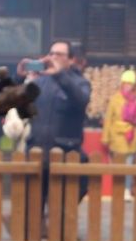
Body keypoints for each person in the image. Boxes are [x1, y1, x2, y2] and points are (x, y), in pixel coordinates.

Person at [25, 39, 91, 215]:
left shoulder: (80, 82)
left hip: (64, 155)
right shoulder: (40, 82)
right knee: (31, 214)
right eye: (51, 53)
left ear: (70, 60)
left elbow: (81, 100)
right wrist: (21, 78)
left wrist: (59, 75)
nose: (54, 57)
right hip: (36, 154)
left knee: (61, 213)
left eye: (59, 54)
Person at [101, 69, 136, 201]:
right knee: (118, 165)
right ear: (122, 83)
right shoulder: (114, 99)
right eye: (125, 83)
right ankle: (119, 189)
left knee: (128, 165)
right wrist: (105, 137)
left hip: (132, 137)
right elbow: (108, 119)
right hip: (117, 136)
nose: (128, 86)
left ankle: (126, 190)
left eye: (130, 83)